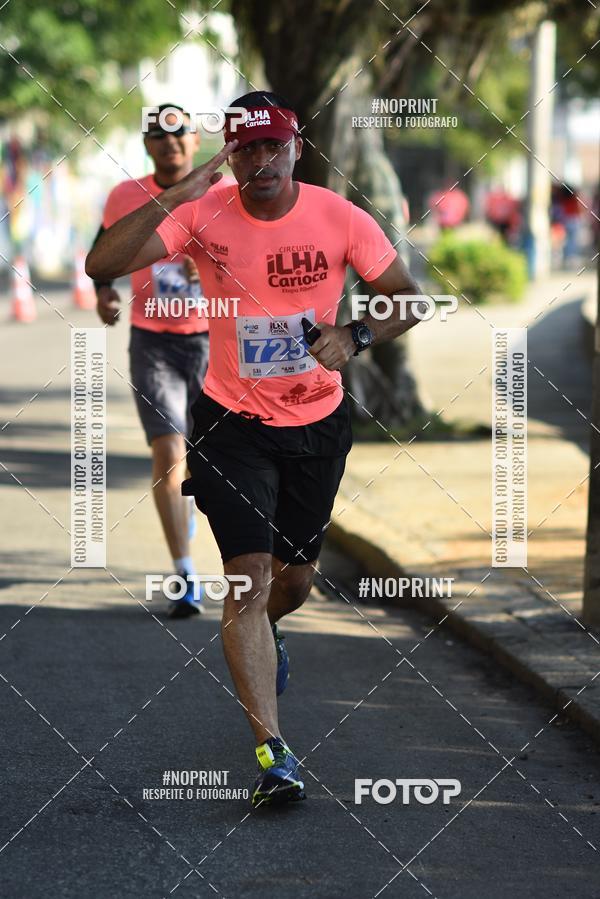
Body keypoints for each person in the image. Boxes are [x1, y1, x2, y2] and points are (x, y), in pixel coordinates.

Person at [86, 90, 424, 807]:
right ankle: (273, 749)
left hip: (318, 423)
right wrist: (182, 190)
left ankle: (265, 633)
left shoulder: (339, 217)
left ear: (298, 147)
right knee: (245, 578)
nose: (262, 160)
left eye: (275, 146)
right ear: (230, 155)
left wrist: (357, 334)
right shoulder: (204, 212)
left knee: (290, 584)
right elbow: (102, 262)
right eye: (247, 148)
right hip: (230, 424)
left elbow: (407, 295)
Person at [92, 103, 215, 619]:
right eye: (159, 137)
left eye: (179, 134)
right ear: (148, 146)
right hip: (153, 342)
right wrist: (105, 293)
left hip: (216, 341)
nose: (170, 144)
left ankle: (196, 525)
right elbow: (100, 252)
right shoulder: (126, 196)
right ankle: (185, 573)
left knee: (209, 460)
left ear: (194, 140)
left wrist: (207, 265)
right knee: (168, 450)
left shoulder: (220, 192)